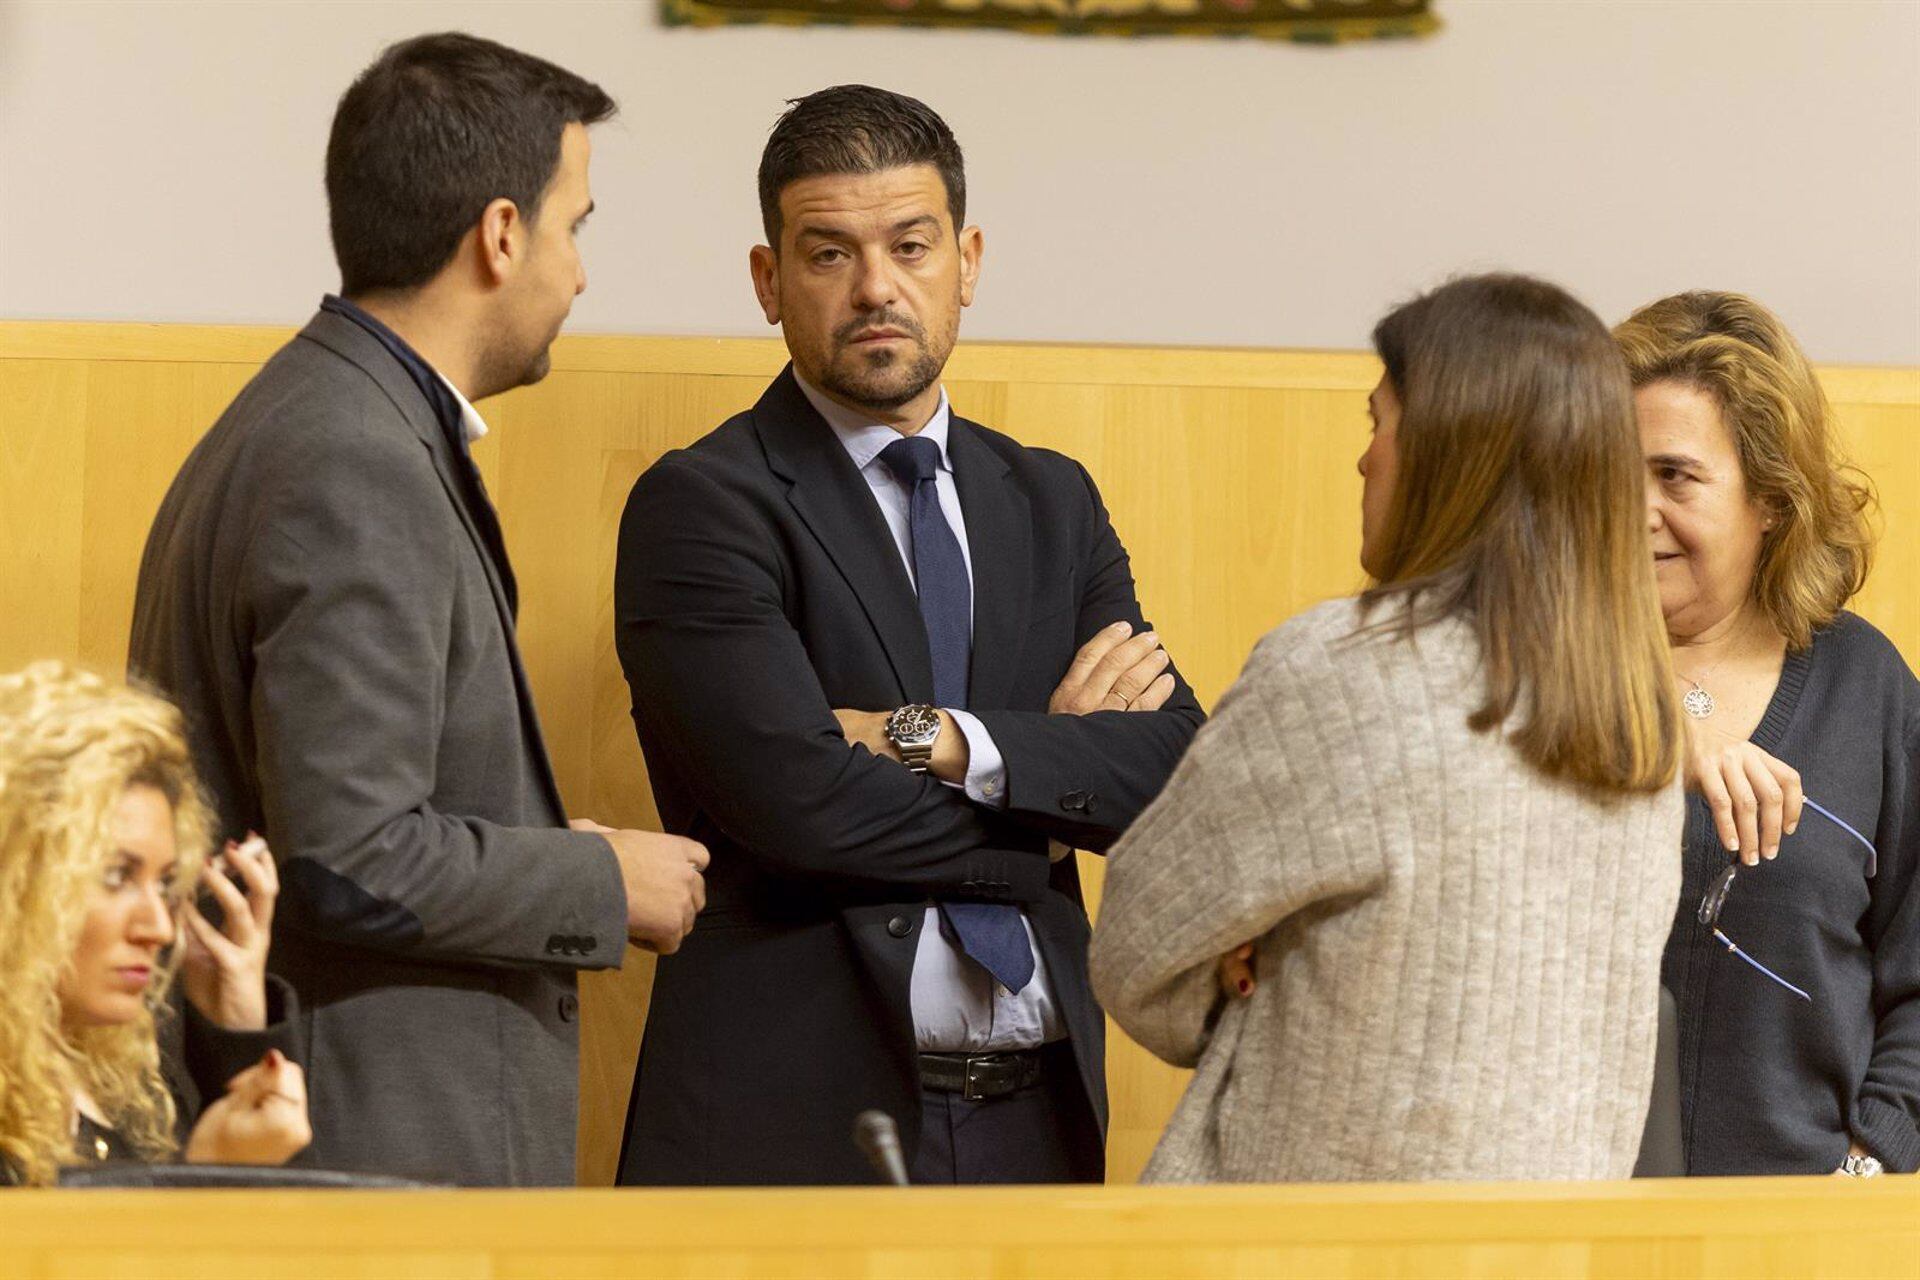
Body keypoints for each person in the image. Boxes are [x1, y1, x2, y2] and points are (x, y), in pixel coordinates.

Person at [127, 32, 708, 1186]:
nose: (579, 272)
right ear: (501, 233)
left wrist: (552, 847)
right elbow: (352, 850)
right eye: (574, 225)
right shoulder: (355, 457)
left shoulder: (325, 415)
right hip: (369, 1153)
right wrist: (602, 881)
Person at [612, 85, 1204, 1185]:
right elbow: (800, 805)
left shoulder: (1050, 500)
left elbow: (1175, 767)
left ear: (966, 262)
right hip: (795, 1130)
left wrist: (935, 739)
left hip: (1039, 1120)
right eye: (828, 253)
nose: (876, 286)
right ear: (769, 282)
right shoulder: (705, 502)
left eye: (911, 245)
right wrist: (1047, 789)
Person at [1091, 273, 1687, 1183]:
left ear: (1453, 453)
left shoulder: (1343, 671)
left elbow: (1135, 949)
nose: (1365, 459)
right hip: (1547, 1254)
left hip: (1303, 1244)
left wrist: (1247, 965)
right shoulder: (1639, 722)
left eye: (1379, 423)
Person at [1617, 290, 1918, 1177]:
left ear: (1774, 501)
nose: (1634, 511)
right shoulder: (1522, 675)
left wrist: (1872, 1157)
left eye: (1674, 476)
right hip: (1555, 1229)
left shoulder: (1868, 688)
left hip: (1798, 1231)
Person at [0, 662, 310, 1186]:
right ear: (15, 874)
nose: (159, 929)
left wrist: (238, 1033)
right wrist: (203, 1178)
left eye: (165, 885)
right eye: (116, 876)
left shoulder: (132, 1085)